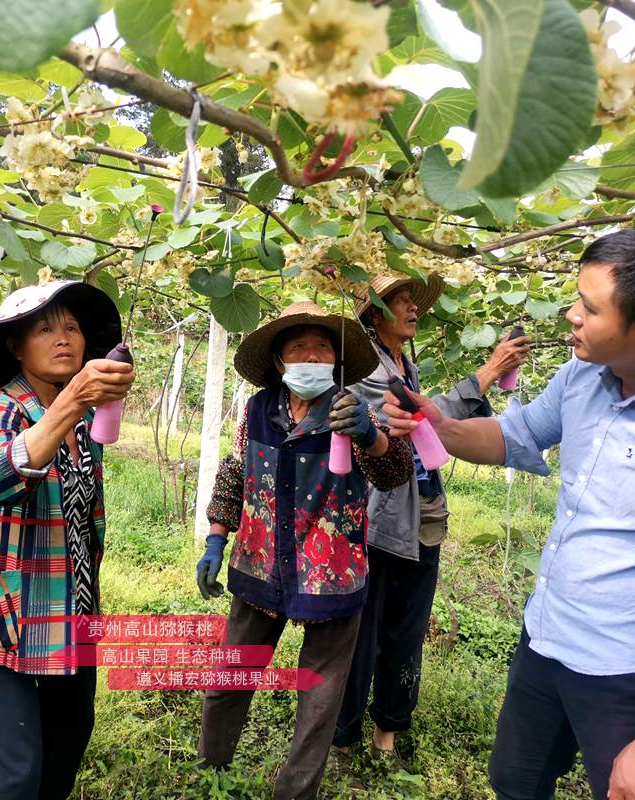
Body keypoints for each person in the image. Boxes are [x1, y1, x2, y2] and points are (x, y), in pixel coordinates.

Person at [380, 230, 635, 800]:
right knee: (516, 783)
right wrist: (438, 426)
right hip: (548, 637)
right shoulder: (580, 378)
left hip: (622, 671)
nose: (570, 314)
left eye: (589, 309)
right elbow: (515, 435)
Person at [194, 301, 413, 800]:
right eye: (299, 346)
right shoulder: (256, 410)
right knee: (232, 674)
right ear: (279, 360)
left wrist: (370, 436)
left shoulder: (353, 410)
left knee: (319, 695)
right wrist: (215, 537)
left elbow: (393, 472)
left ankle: (295, 792)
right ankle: (211, 771)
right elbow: (235, 472)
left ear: (335, 360)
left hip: (331, 570)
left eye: (321, 347)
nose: (310, 355)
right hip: (260, 562)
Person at [0, 279, 135, 800]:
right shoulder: (1, 412)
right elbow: (3, 479)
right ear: (14, 346)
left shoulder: (89, 424)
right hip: (4, 626)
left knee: (62, 757)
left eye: (71, 327)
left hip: (71, 620)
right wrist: (71, 401)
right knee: (13, 779)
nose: (63, 338)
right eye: (45, 329)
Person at [332, 273, 530, 762]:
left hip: (423, 516)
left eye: (413, 301)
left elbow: (430, 426)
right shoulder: (363, 367)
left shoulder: (406, 362)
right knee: (363, 631)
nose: (413, 308)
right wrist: (485, 373)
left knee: (407, 628)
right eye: (400, 301)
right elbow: (411, 421)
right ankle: (342, 737)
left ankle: (388, 733)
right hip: (377, 523)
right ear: (374, 313)